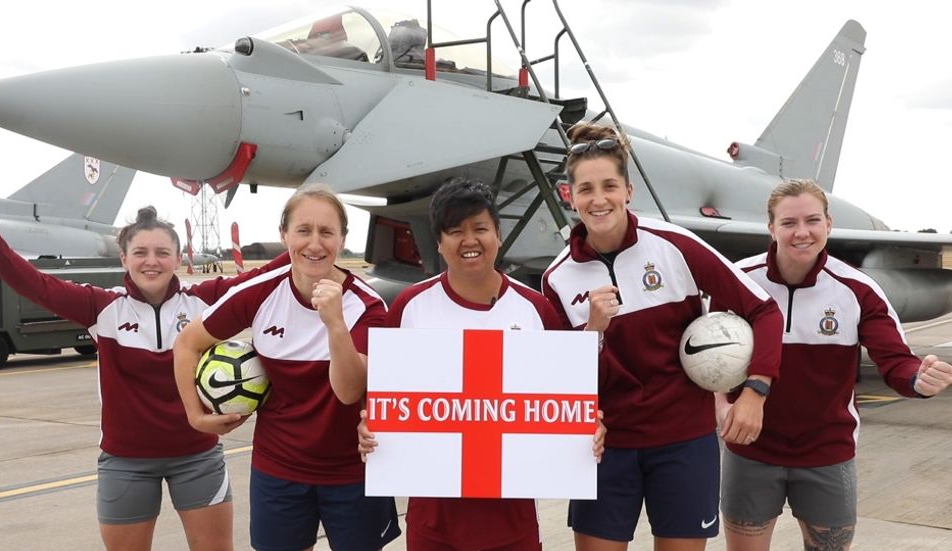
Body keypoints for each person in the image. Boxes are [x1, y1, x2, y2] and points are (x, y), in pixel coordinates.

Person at [0, 205, 287, 551]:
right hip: (125, 463)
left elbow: (261, 279)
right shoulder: (101, 306)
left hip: (197, 457)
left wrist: (303, 246)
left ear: (179, 258)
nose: (151, 261)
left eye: (162, 252)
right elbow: (37, 286)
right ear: (123, 258)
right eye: (140, 252)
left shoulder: (205, 301)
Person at [540, 123, 785, 551]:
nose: (599, 199)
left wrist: (755, 392)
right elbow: (563, 376)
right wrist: (595, 329)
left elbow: (763, 310)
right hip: (604, 448)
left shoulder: (674, 245)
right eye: (586, 189)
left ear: (629, 191)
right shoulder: (558, 278)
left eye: (610, 186)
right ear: (570, 196)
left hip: (683, 442)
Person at [357, 177, 606, 550]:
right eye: (455, 231)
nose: (469, 240)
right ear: (439, 243)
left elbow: (563, 398)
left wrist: (588, 426)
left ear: (498, 235)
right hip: (433, 523)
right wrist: (368, 426)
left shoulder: (535, 309)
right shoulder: (410, 307)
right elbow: (383, 398)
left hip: (512, 523)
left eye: (480, 228)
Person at [720, 179, 952, 551]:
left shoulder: (857, 290)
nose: (802, 233)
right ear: (771, 228)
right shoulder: (738, 281)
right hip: (751, 450)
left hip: (827, 452)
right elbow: (706, 356)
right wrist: (721, 406)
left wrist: (918, 380)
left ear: (828, 224)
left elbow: (895, 361)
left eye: (812, 220)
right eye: (789, 223)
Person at [173, 183, 401, 551]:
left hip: (352, 472)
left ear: (342, 238)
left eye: (327, 232)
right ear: (284, 235)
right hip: (279, 469)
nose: (315, 244)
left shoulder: (368, 306)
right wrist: (195, 416)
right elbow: (187, 343)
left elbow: (348, 390)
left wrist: (335, 323)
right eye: (303, 230)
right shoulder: (261, 291)